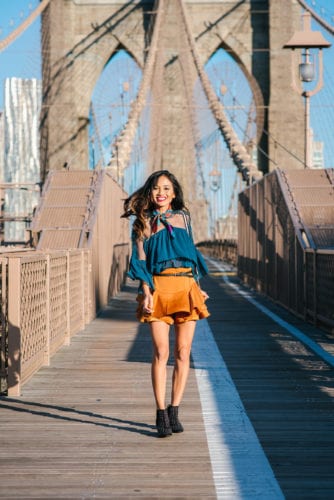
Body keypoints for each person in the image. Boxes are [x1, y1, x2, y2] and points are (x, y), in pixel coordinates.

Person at [122, 170, 209, 437]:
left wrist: (198, 286)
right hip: (158, 289)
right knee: (162, 352)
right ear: (150, 192)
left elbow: (191, 255)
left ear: (173, 193)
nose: (162, 192)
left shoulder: (184, 217)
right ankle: (160, 412)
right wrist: (146, 292)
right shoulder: (142, 221)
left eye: (167, 188)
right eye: (157, 188)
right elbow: (139, 261)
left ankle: (175, 410)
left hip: (185, 288)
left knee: (184, 352)